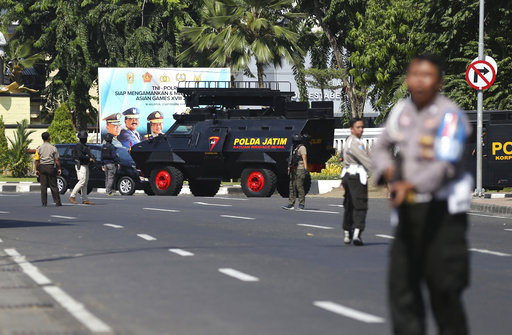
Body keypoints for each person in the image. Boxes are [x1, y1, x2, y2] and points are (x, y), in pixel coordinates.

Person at [371, 54, 472, 335]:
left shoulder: (451, 116)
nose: (419, 80)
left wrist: (411, 185)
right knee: (402, 290)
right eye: (415, 74)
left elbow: (446, 165)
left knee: (445, 292)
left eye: (427, 75)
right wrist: (390, 173)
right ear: (407, 79)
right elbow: (380, 147)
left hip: (443, 215)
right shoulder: (400, 112)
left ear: (439, 82)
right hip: (409, 214)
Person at [341, 118, 372, 246]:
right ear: (352, 129)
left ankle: (348, 231)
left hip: (347, 176)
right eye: (358, 127)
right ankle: (357, 233)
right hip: (356, 177)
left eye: (362, 127)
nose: (361, 129)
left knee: (349, 204)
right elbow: (365, 160)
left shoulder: (348, 141)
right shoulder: (356, 143)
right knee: (360, 205)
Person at [34, 132, 62, 207]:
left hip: (42, 167)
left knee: (43, 186)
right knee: (53, 185)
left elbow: (37, 160)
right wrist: (59, 168)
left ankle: (44, 202)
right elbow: (57, 160)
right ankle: (57, 201)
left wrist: (36, 169)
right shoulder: (53, 148)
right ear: (48, 138)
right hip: (50, 167)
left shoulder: (39, 148)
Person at [282, 134, 307, 210]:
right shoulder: (294, 148)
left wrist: (306, 169)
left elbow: (304, 158)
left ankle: (301, 204)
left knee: (299, 186)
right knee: (291, 186)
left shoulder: (302, 148)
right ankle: (291, 203)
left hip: (300, 168)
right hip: (294, 169)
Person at [69, 130, 95, 205]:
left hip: (85, 165)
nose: (85, 139)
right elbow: (80, 156)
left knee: (85, 183)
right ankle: (72, 196)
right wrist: (88, 158)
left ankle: (85, 199)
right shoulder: (78, 146)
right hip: (80, 165)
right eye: (84, 138)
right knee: (82, 181)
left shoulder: (84, 146)